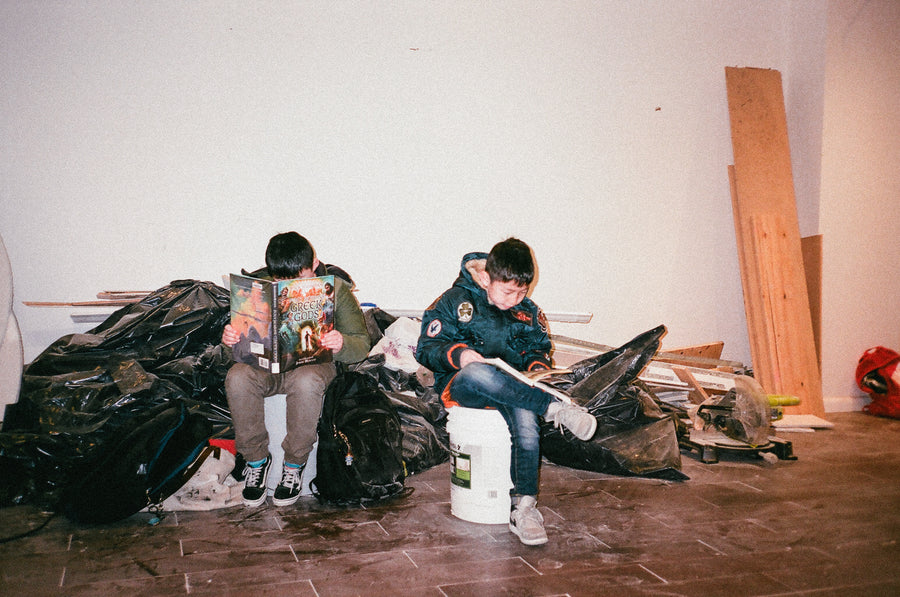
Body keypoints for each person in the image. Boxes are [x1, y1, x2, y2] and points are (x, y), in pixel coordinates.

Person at [416, 237, 597, 546]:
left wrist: (538, 369)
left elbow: (537, 351)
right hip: (463, 386)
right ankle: (555, 408)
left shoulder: (528, 312)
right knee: (478, 371)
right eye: (507, 291)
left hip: (515, 389)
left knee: (526, 420)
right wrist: (459, 354)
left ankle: (524, 509)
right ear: (486, 278)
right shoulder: (454, 300)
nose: (515, 299)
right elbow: (426, 347)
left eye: (522, 292)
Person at [222, 232, 370, 507]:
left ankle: (294, 465)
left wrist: (341, 343)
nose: (289, 286)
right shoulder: (259, 288)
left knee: (306, 381)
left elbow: (362, 344)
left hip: (314, 367)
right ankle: (256, 461)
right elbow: (239, 344)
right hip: (269, 368)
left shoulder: (336, 289)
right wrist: (231, 339)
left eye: (299, 278)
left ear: (314, 264)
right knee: (237, 377)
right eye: (281, 280)